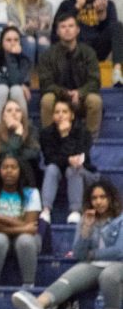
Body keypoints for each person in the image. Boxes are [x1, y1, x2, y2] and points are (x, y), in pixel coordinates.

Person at [13, 179, 123, 309]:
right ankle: (39, 304)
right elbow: (79, 254)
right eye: (94, 198)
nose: (98, 201)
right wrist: (86, 230)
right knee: (69, 278)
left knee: (108, 275)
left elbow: (120, 251)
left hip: (118, 265)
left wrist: (93, 254)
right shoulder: (86, 219)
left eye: (103, 197)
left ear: (111, 198)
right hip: (95, 265)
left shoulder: (120, 219)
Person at [53, 0, 123, 86]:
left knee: (118, 25)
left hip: (97, 51)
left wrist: (102, 17)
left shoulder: (107, 4)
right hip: (74, 51)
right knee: (69, 30)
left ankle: (117, 72)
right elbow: (56, 33)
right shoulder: (67, 4)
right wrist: (77, 7)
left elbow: (114, 35)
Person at [0, 155, 41, 288]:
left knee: (25, 240)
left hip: (25, 239)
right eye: (5, 167)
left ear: (20, 170)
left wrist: (1, 218)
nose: (9, 171)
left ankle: (28, 288)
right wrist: (23, 228)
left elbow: (30, 225)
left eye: (13, 167)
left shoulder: (32, 193)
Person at [39, 12, 102, 140]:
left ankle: (90, 140)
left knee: (95, 100)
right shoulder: (48, 55)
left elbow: (94, 81)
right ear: (57, 31)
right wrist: (66, 93)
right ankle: (49, 139)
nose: (67, 29)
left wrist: (80, 93)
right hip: (58, 98)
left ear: (77, 30)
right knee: (47, 99)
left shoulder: (88, 53)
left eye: (71, 26)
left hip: (81, 99)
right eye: (63, 26)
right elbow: (46, 83)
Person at [39, 96, 97, 224]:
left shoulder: (83, 132)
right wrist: (67, 158)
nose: (60, 115)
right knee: (51, 169)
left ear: (72, 115)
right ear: (53, 115)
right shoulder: (46, 134)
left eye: (64, 112)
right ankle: (46, 210)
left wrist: (65, 137)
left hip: (84, 173)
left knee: (73, 169)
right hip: (58, 171)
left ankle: (75, 210)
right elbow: (50, 159)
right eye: (57, 112)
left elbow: (82, 158)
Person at [0, 26, 32, 130]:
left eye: (16, 40)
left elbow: (15, 82)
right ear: (2, 42)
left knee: (17, 90)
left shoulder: (24, 60)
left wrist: (11, 57)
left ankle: (25, 132)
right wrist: (18, 84)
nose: (12, 43)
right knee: (2, 89)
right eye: (8, 40)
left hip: (14, 96)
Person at [0, 99, 41, 182]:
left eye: (18, 110)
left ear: (22, 115)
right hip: (2, 174)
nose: (14, 113)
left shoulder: (32, 130)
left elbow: (34, 154)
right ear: (3, 116)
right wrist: (18, 135)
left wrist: (18, 131)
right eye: (9, 110)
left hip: (26, 173)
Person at [6, 0, 53, 65]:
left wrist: (39, 28)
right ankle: (26, 77)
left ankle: (44, 77)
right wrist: (27, 27)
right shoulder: (13, 5)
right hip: (22, 38)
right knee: (30, 41)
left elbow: (47, 31)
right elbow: (14, 31)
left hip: (40, 37)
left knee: (44, 42)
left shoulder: (46, 6)